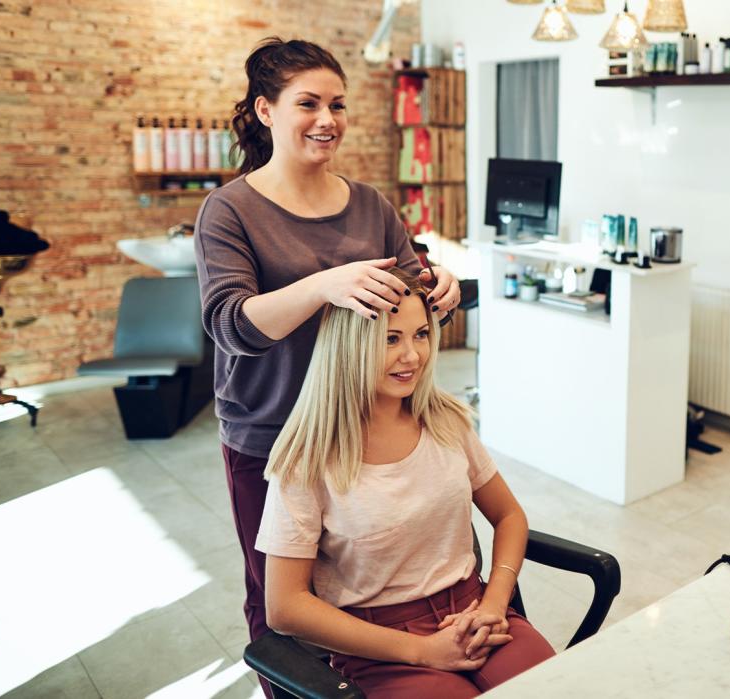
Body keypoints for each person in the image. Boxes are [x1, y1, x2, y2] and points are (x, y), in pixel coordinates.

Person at [193, 36, 462, 678]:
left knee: (371, 585)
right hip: (274, 435)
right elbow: (230, 324)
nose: (327, 120)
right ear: (265, 111)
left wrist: (440, 285)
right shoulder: (229, 211)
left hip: (369, 429)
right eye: (308, 103)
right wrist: (321, 286)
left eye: (337, 105)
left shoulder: (370, 203)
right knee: (282, 602)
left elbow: (409, 296)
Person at [257, 269, 554, 697]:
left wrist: (494, 604)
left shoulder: (446, 422)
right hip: (380, 645)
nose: (413, 355)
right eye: (391, 339)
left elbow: (509, 515)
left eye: (420, 334)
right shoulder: (307, 461)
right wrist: (421, 651)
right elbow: (284, 607)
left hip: (474, 611)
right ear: (349, 347)